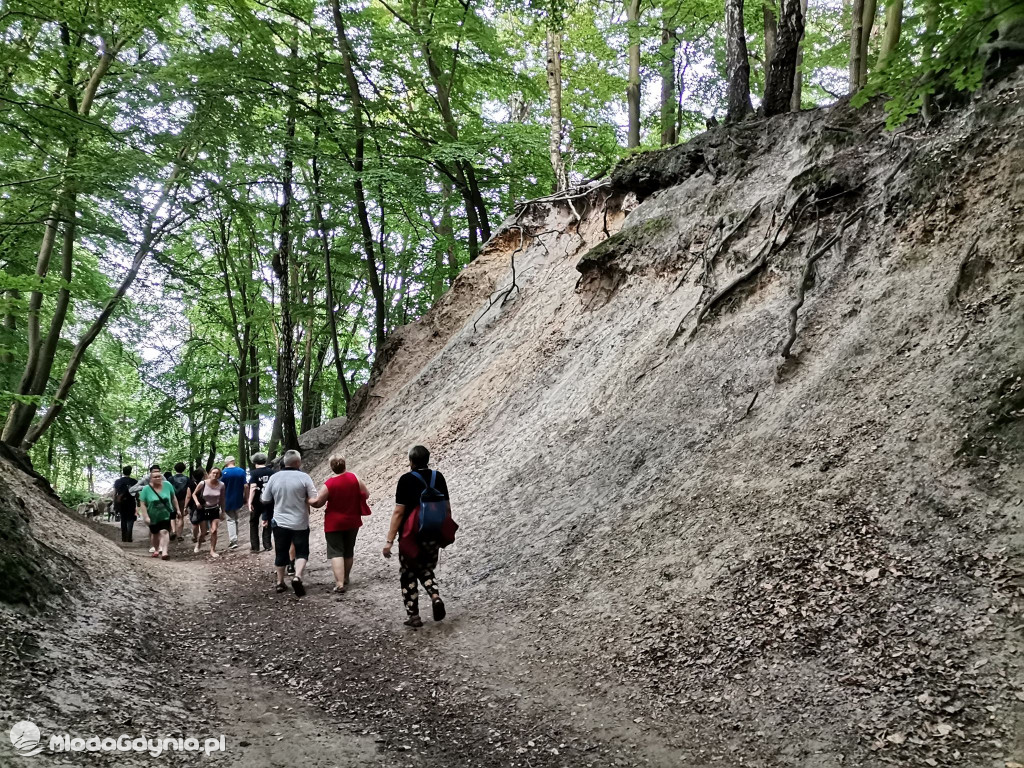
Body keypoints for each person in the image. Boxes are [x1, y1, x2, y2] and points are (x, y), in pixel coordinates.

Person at [383, 445, 453, 627]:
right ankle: (435, 595)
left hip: (410, 535)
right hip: (433, 532)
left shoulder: (406, 480)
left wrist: (389, 541)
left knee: (408, 573)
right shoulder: (438, 477)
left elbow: (399, 512)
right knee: (426, 568)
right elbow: (446, 507)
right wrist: (445, 529)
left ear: (411, 461)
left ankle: (414, 616)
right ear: (427, 459)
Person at [308, 455, 370, 594]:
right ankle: (346, 577)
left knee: (336, 552)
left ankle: (339, 583)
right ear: (344, 464)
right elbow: (366, 494)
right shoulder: (355, 478)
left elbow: (318, 503)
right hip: (353, 520)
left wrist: (308, 500)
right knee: (348, 551)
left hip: (334, 523)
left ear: (331, 467)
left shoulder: (329, 484)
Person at [263, 450, 316, 596]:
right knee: (302, 551)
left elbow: (265, 499)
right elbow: (314, 498)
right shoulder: (304, 477)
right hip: (300, 522)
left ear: (284, 462)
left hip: (280, 522)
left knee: (281, 552)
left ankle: (280, 582)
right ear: (298, 462)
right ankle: (297, 576)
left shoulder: (274, 478)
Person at [139, 465, 179, 560]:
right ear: (151, 479)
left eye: (159, 476)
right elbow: (143, 503)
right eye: (155, 477)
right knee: (155, 533)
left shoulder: (168, 485)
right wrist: (146, 517)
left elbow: (173, 498)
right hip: (153, 516)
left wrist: (177, 509)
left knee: (164, 531)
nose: (158, 478)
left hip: (165, 514)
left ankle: (165, 552)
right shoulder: (146, 489)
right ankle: (156, 549)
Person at [193, 467, 226, 557]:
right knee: (203, 532)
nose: (215, 475)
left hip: (214, 509)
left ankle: (212, 550)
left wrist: (223, 511)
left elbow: (222, 499)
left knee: (214, 530)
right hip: (203, 509)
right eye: (213, 473)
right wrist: (197, 502)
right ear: (210, 473)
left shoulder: (222, 485)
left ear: (220, 475)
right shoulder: (203, 483)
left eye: (217, 473)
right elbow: (194, 494)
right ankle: (198, 544)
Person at [247, 452, 275, 553]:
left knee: (253, 522)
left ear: (254, 462)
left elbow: (253, 488)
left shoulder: (253, 473)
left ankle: (255, 547)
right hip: (269, 501)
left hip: (256, 502)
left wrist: (249, 502)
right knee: (268, 521)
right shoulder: (272, 472)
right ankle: (267, 544)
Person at [220, 456, 247, 550]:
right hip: (238, 498)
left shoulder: (223, 473)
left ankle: (233, 540)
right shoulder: (241, 471)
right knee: (235, 518)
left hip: (227, 499)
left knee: (230, 519)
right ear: (234, 461)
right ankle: (235, 538)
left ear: (226, 463)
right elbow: (246, 485)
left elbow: (220, 487)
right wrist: (246, 497)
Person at [112, 466, 138, 543]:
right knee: (130, 519)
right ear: (130, 472)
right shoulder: (134, 481)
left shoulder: (118, 481)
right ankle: (129, 537)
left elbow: (114, 493)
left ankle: (124, 537)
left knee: (123, 519)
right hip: (131, 502)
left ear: (123, 472)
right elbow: (136, 493)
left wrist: (115, 502)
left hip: (122, 502)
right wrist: (138, 501)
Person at [169, 462, 191, 543]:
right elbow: (189, 492)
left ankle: (173, 532)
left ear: (175, 469)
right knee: (181, 517)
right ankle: (179, 535)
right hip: (182, 499)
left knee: (172, 516)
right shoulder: (187, 479)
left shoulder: (170, 479)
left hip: (172, 499)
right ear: (184, 469)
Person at [184, 467, 205, 544]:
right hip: (203, 503)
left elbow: (188, 496)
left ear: (193, 476)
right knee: (202, 520)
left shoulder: (191, 484)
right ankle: (202, 536)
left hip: (193, 505)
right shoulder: (205, 483)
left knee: (194, 521)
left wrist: (185, 506)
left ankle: (194, 537)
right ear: (202, 476)